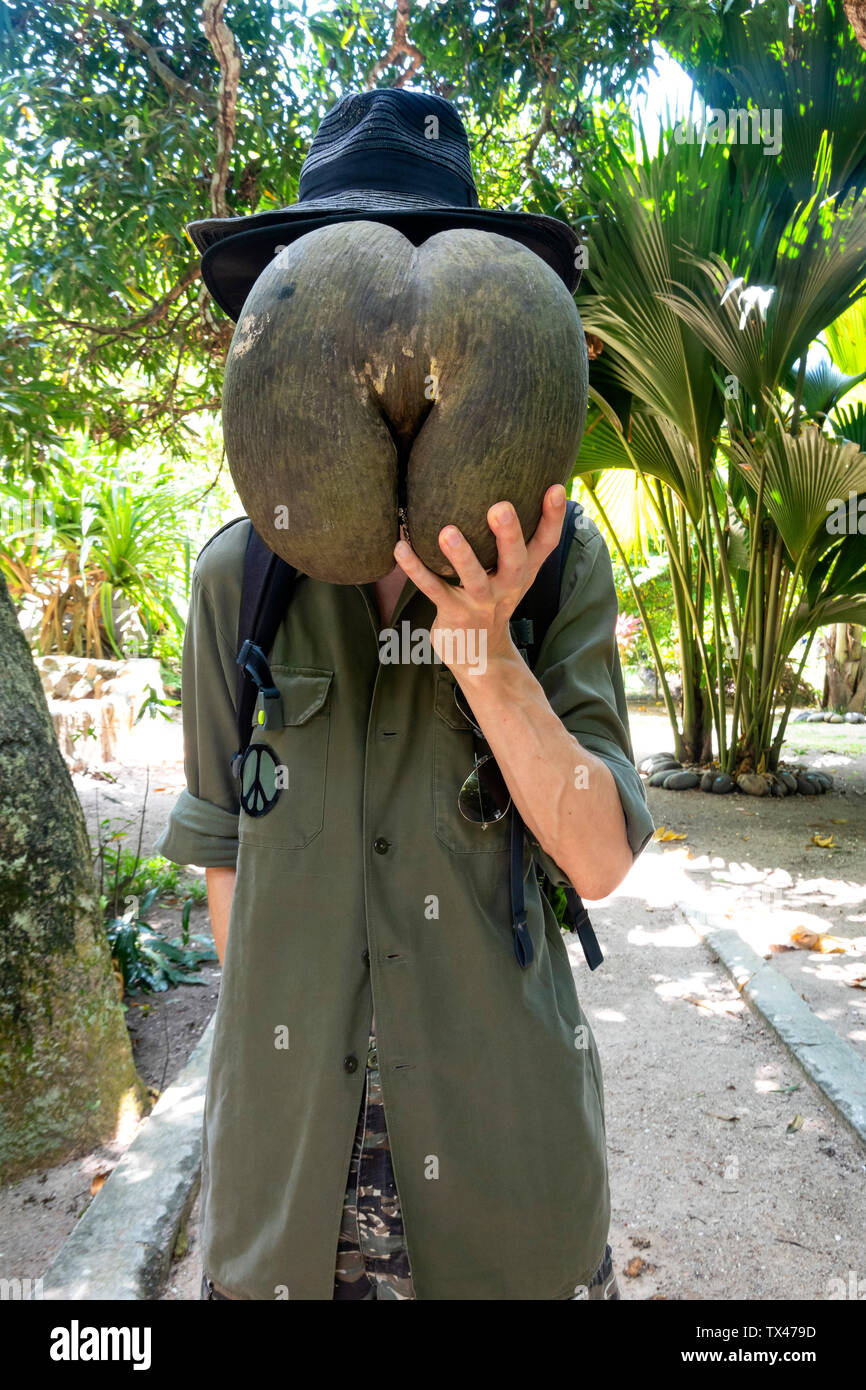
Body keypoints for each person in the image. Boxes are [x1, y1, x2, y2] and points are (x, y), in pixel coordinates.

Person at [156, 87, 655, 1301]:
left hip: (507, 1197)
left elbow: (595, 858)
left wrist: (483, 645)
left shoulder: (560, 569)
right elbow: (232, 867)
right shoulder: (239, 579)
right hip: (290, 1203)